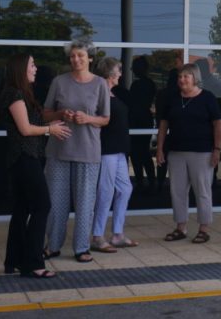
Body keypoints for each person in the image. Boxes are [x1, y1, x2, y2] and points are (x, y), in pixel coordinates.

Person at [1, 53, 71, 278]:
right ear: (21, 69)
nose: (35, 69)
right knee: (42, 206)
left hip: (24, 157)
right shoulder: (15, 94)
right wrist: (51, 130)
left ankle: (13, 261)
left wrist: (54, 120)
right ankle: (33, 263)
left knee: (22, 209)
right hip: (23, 158)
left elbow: (34, 123)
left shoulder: (22, 94)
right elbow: (25, 129)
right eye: (32, 65)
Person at [43, 39, 111, 263]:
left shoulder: (100, 83)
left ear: (90, 58)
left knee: (85, 204)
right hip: (58, 151)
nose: (76, 59)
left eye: (80, 55)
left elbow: (105, 118)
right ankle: (52, 246)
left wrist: (88, 118)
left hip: (88, 152)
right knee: (55, 203)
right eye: (72, 56)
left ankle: (81, 248)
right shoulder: (59, 82)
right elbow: (45, 113)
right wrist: (61, 114)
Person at [156, 63, 221, 244]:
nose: (182, 80)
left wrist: (217, 149)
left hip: (201, 153)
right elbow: (163, 124)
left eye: (186, 76)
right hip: (176, 152)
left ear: (195, 78)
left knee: (202, 191)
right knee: (177, 191)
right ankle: (181, 227)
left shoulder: (208, 98)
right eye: (180, 77)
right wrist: (160, 148)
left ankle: (204, 229)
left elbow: (217, 124)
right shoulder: (173, 98)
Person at [91, 57, 138, 253]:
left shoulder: (112, 93)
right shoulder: (99, 93)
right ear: (111, 73)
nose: (120, 74)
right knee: (105, 192)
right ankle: (97, 236)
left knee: (125, 189)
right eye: (118, 71)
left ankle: (117, 234)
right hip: (106, 151)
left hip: (118, 151)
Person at [128, 56, 157, 191]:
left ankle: (141, 179)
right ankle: (151, 179)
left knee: (137, 152)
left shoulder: (137, 85)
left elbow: (132, 103)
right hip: (145, 119)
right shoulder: (150, 83)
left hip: (137, 120)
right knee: (144, 151)